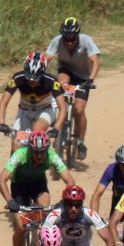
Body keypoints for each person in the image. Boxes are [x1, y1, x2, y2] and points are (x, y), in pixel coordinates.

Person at [0, 128, 74, 246]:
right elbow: (1, 180)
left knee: (45, 212)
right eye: (36, 152)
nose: (39, 155)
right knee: (21, 226)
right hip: (19, 186)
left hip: (38, 184)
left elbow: (70, 181)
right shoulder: (20, 154)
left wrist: (66, 201)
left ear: (47, 149)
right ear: (30, 149)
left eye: (42, 152)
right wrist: (10, 201)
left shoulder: (51, 155)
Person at [45, 17, 101, 160]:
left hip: (83, 78)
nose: (69, 43)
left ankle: (80, 142)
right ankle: (56, 117)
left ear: (77, 36)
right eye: (66, 40)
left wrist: (90, 80)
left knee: (79, 109)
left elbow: (95, 62)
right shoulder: (57, 40)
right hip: (66, 71)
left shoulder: (86, 40)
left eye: (72, 40)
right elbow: (47, 58)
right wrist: (39, 71)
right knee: (62, 81)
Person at [0, 52, 67, 150]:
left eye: (35, 79)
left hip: (45, 110)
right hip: (25, 111)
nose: (32, 82)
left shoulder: (51, 81)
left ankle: (44, 161)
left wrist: (56, 128)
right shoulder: (18, 78)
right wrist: (1, 123)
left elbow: (63, 107)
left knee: (36, 134)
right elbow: (3, 102)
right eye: (28, 78)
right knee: (16, 145)